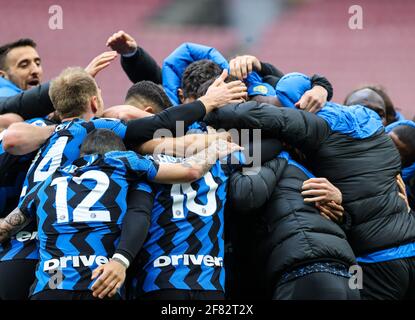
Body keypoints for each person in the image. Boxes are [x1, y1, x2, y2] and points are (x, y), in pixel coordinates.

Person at [0, 66, 244, 300]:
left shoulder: (47, 139)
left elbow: (11, 139)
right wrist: (209, 107)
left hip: (23, 256)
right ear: (94, 103)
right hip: (77, 267)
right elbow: (158, 125)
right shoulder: (107, 137)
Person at [204, 72, 415, 300]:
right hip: (376, 260)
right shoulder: (377, 129)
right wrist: (319, 86)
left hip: (372, 261)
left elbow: (257, 114)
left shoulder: (313, 129)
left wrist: (203, 107)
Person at [229, 150, 359, 300]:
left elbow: (246, 196)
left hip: (306, 268)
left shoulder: (268, 162)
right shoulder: (311, 168)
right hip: (349, 273)